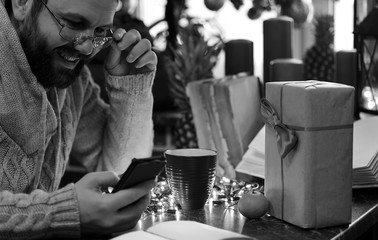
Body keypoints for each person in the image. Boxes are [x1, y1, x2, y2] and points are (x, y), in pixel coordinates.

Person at [0, 0, 157, 238]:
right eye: (73, 23)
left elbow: (116, 175)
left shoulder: (74, 82)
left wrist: (132, 90)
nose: (87, 49)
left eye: (100, 32)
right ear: (22, 3)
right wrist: (60, 212)